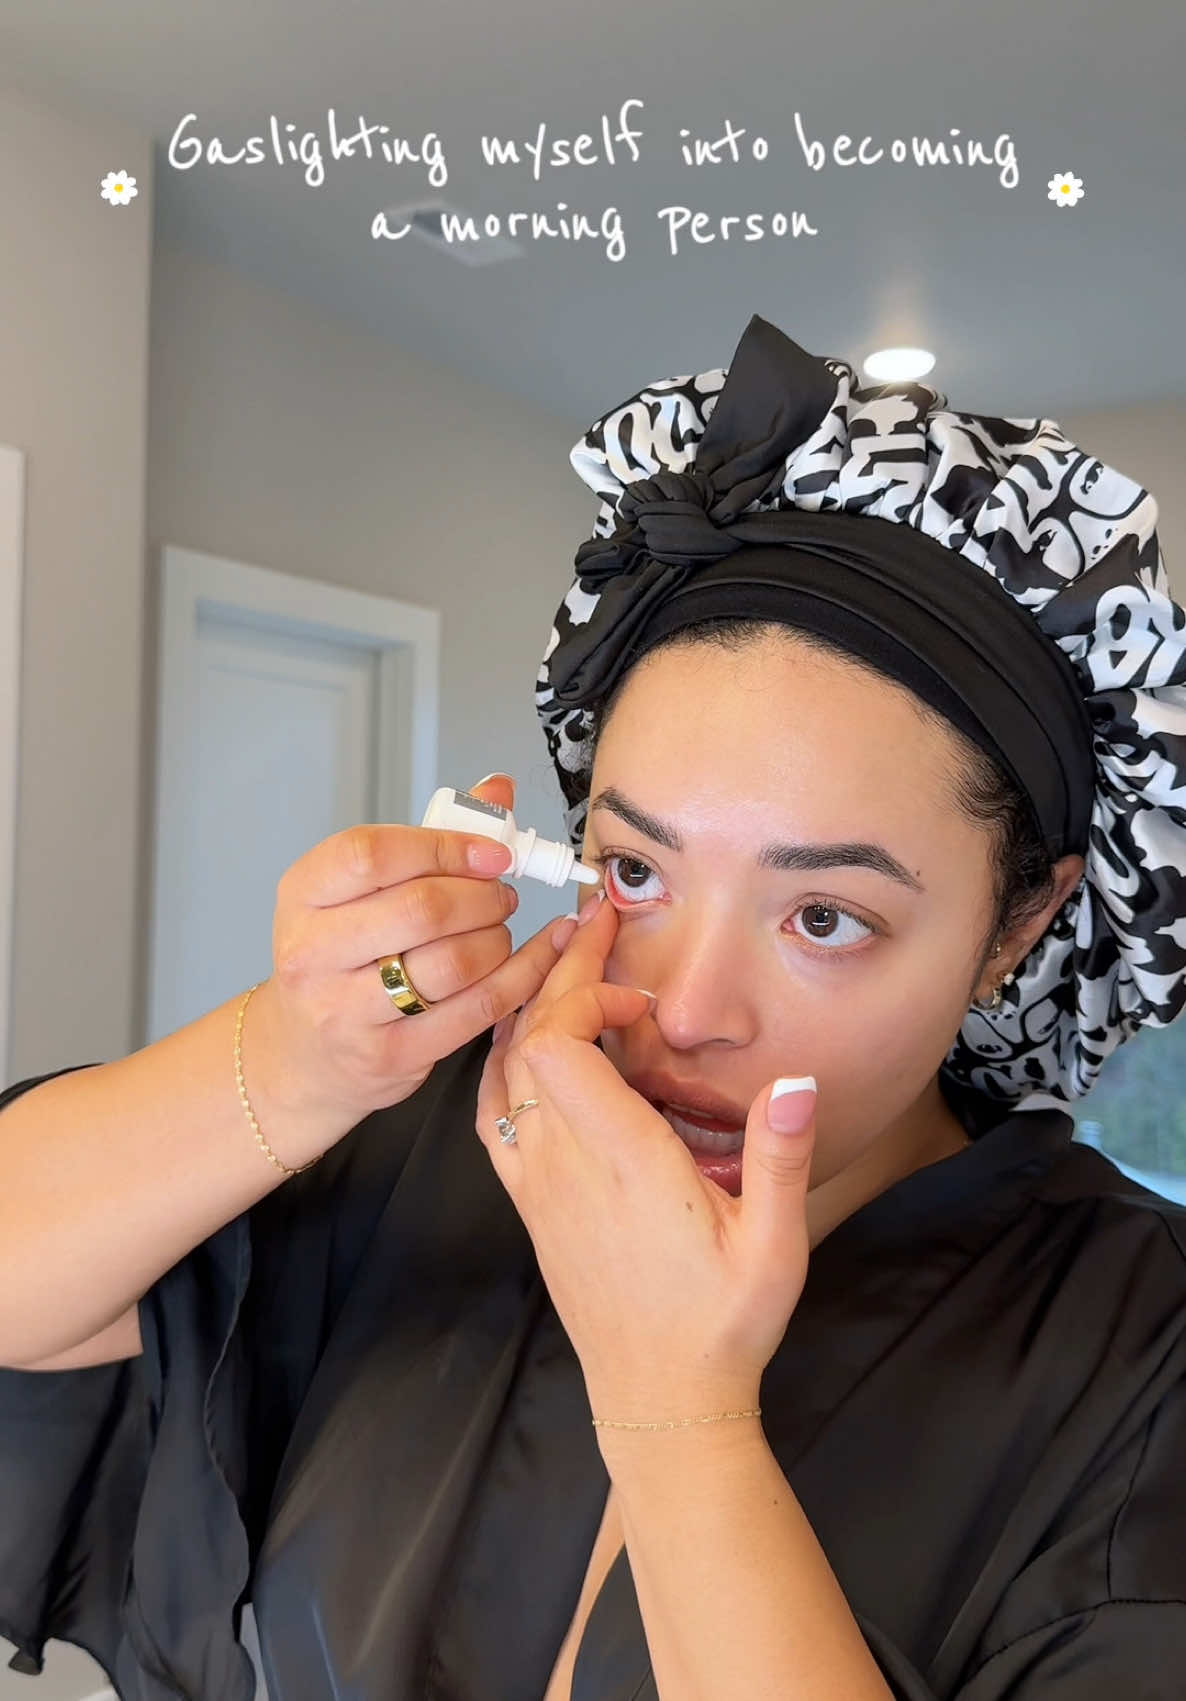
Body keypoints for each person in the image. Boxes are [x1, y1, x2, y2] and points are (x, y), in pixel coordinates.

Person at [2, 314, 1186, 1701]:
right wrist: (296, 1056)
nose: (682, 1011)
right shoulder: (449, 1151)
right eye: (636, 871)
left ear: (1018, 923)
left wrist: (679, 1413)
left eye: (823, 917)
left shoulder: (1140, 1351)